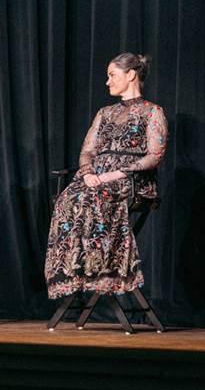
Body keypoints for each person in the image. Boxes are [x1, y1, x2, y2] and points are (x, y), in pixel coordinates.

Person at [44, 53, 167, 299]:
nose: (107, 82)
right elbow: (87, 150)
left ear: (130, 75)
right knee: (68, 200)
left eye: (112, 75)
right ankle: (73, 272)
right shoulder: (105, 112)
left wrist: (112, 175)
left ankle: (102, 271)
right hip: (96, 177)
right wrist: (88, 173)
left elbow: (155, 155)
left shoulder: (152, 112)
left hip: (131, 180)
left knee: (93, 199)